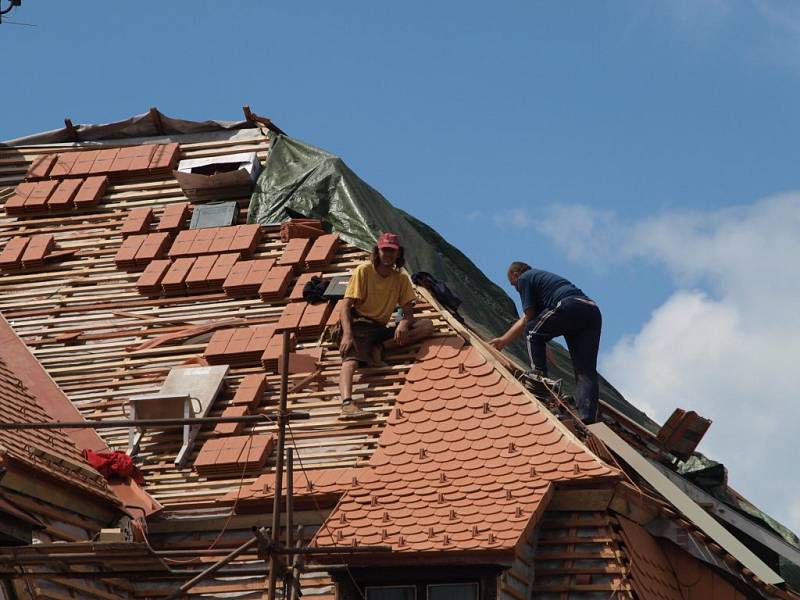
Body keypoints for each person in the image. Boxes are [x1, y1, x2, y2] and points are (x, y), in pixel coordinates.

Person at [490, 262, 602, 423]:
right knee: (585, 370)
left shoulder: (525, 278)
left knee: (532, 331)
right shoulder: (545, 283)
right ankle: (588, 417)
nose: (516, 288)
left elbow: (528, 318)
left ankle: (539, 378)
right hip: (591, 311)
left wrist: (507, 340)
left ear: (516, 274)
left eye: (513, 284)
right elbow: (538, 320)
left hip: (570, 305)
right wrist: (504, 340)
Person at [338, 232, 434, 418]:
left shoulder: (400, 279)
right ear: (378, 251)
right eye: (385, 250)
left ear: (398, 254)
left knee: (427, 326)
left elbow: (408, 313)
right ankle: (347, 404)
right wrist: (347, 334)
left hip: (379, 330)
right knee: (351, 360)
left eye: (392, 251)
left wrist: (404, 324)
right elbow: (346, 307)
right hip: (359, 324)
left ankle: (379, 348)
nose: (388, 254)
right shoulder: (364, 270)